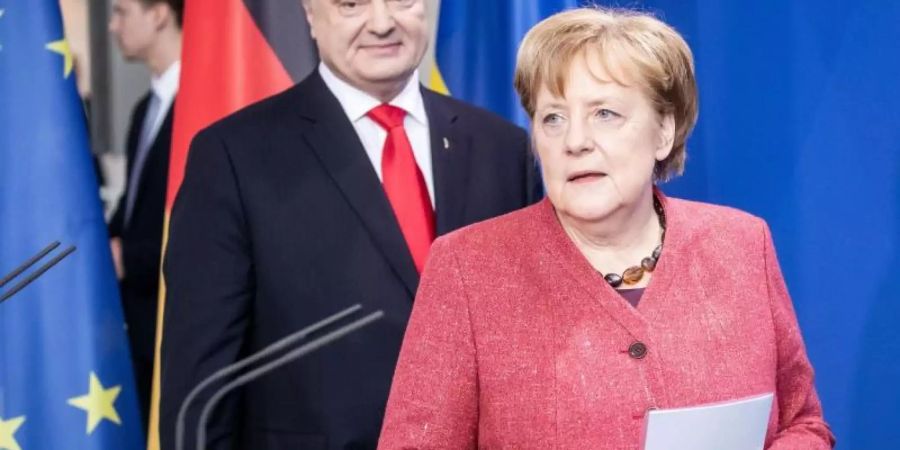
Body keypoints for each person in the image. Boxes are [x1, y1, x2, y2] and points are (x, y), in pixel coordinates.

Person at [378, 7, 835, 449]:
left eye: (605, 114)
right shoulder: (467, 268)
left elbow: (803, 422)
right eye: (552, 118)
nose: (575, 141)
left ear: (663, 132)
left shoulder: (740, 245)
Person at [159, 0, 540, 448]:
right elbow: (201, 384)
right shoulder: (233, 156)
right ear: (308, 14)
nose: (382, 23)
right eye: (351, 4)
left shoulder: (505, 149)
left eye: (402, 1)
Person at [107, 0, 182, 427]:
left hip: (171, 323)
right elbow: (130, 211)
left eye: (121, 12)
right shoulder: (143, 110)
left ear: (158, 14)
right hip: (134, 326)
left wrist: (128, 257)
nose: (114, 26)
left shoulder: (206, 107)